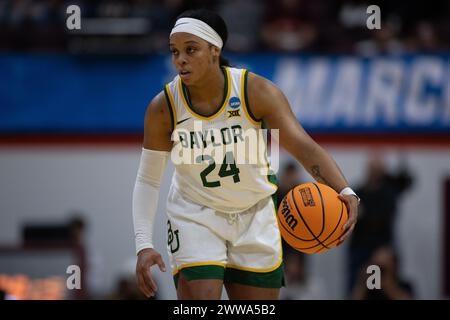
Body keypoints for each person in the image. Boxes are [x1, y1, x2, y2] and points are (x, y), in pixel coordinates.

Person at [132, 9, 359, 300]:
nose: (180, 60)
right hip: (195, 214)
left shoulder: (255, 91)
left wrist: (345, 189)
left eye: (191, 50)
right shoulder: (163, 107)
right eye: (175, 52)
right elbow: (148, 180)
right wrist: (143, 244)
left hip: (255, 214)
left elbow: (303, 146)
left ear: (215, 50)